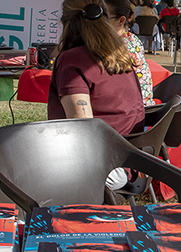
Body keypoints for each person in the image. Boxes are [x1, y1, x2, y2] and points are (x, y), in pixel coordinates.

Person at [48, 0, 146, 196]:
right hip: (129, 162)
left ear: (66, 22)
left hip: (100, 166)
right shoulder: (120, 54)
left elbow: (81, 129)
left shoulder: (72, 60)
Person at [107, 0, 156, 106]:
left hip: (135, 108)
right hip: (140, 104)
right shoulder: (132, 38)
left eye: (104, 18)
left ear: (121, 21)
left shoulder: (121, 47)